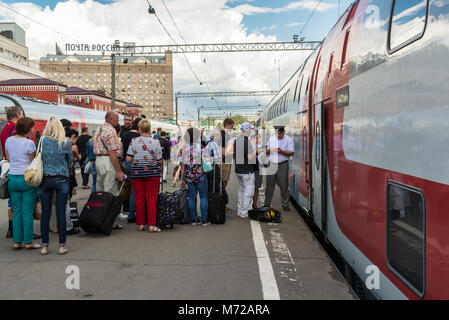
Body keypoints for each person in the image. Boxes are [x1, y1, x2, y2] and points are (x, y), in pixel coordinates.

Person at [5, 117, 41, 250]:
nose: (33, 129)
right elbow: (33, 163)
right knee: (27, 212)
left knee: (16, 212)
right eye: (32, 127)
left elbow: (8, 158)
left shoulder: (9, 141)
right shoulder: (29, 143)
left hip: (12, 179)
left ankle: (17, 242)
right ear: (28, 129)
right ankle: (28, 242)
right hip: (26, 180)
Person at [39, 116, 73, 255]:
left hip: (45, 179)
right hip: (61, 180)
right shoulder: (65, 142)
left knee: (45, 213)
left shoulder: (42, 140)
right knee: (60, 213)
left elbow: (39, 158)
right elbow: (70, 161)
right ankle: (62, 246)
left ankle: (45, 246)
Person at [125, 119, 162, 232]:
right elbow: (160, 160)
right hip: (152, 174)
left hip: (137, 174)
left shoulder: (134, 141)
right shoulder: (156, 142)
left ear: (139, 129)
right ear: (150, 130)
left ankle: (140, 224)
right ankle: (151, 225)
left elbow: (128, 158)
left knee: (139, 199)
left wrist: (138, 160)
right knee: (151, 199)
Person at [93, 111, 125, 229]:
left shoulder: (99, 129)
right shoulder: (111, 131)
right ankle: (109, 222)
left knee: (99, 192)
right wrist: (119, 171)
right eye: (117, 119)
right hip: (108, 162)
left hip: (98, 161)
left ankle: (98, 217)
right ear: (111, 119)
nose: (118, 122)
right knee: (109, 192)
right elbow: (112, 153)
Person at [0, 106, 24, 239]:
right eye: (21, 115)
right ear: (18, 115)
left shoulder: (4, 128)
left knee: (11, 200)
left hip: (8, 167)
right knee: (19, 201)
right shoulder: (15, 129)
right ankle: (17, 230)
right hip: (16, 167)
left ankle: (11, 228)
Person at [179, 127, 211, 226]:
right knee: (203, 197)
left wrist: (182, 179)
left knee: (192, 197)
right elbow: (208, 162)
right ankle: (204, 220)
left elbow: (182, 165)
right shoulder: (201, 148)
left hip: (189, 177)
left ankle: (194, 220)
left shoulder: (184, 149)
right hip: (201, 176)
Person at [264, 126, 295, 211]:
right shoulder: (271, 139)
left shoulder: (288, 140)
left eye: (280, 134)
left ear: (284, 131)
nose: (278, 136)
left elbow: (291, 152)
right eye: (277, 134)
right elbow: (265, 150)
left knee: (283, 185)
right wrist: (270, 150)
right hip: (272, 164)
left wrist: (282, 151)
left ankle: (285, 204)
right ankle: (266, 204)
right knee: (269, 185)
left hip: (283, 164)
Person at [233, 122, 257, 218]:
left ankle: (240, 210)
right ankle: (245, 212)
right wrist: (256, 151)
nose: (251, 131)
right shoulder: (245, 141)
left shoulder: (237, 140)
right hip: (247, 170)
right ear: (247, 129)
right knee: (248, 192)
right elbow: (250, 157)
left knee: (241, 191)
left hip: (238, 170)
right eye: (250, 129)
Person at [121, 117, 142, 223]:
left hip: (126, 164)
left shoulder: (125, 135)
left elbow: (120, 151)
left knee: (126, 188)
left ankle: (126, 210)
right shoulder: (140, 137)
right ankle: (133, 214)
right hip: (137, 164)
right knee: (135, 191)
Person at [65, 128, 81, 235]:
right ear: (73, 137)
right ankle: (68, 225)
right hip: (68, 176)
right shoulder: (70, 147)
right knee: (67, 200)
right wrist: (75, 154)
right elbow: (72, 162)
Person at [204, 129, 222, 193]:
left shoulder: (207, 142)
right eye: (219, 135)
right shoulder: (214, 143)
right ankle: (213, 202)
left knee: (208, 188)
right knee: (214, 189)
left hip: (206, 168)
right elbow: (218, 159)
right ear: (214, 136)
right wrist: (220, 171)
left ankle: (209, 201)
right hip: (213, 169)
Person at [251, 132, 263, 209]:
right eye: (256, 138)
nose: (258, 140)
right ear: (252, 139)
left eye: (259, 138)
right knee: (249, 187)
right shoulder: (249, 146)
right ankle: (248, 204)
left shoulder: (261, 147)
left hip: (258, 169)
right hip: (250, 169)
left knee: (256, 187)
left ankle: (254, 204)